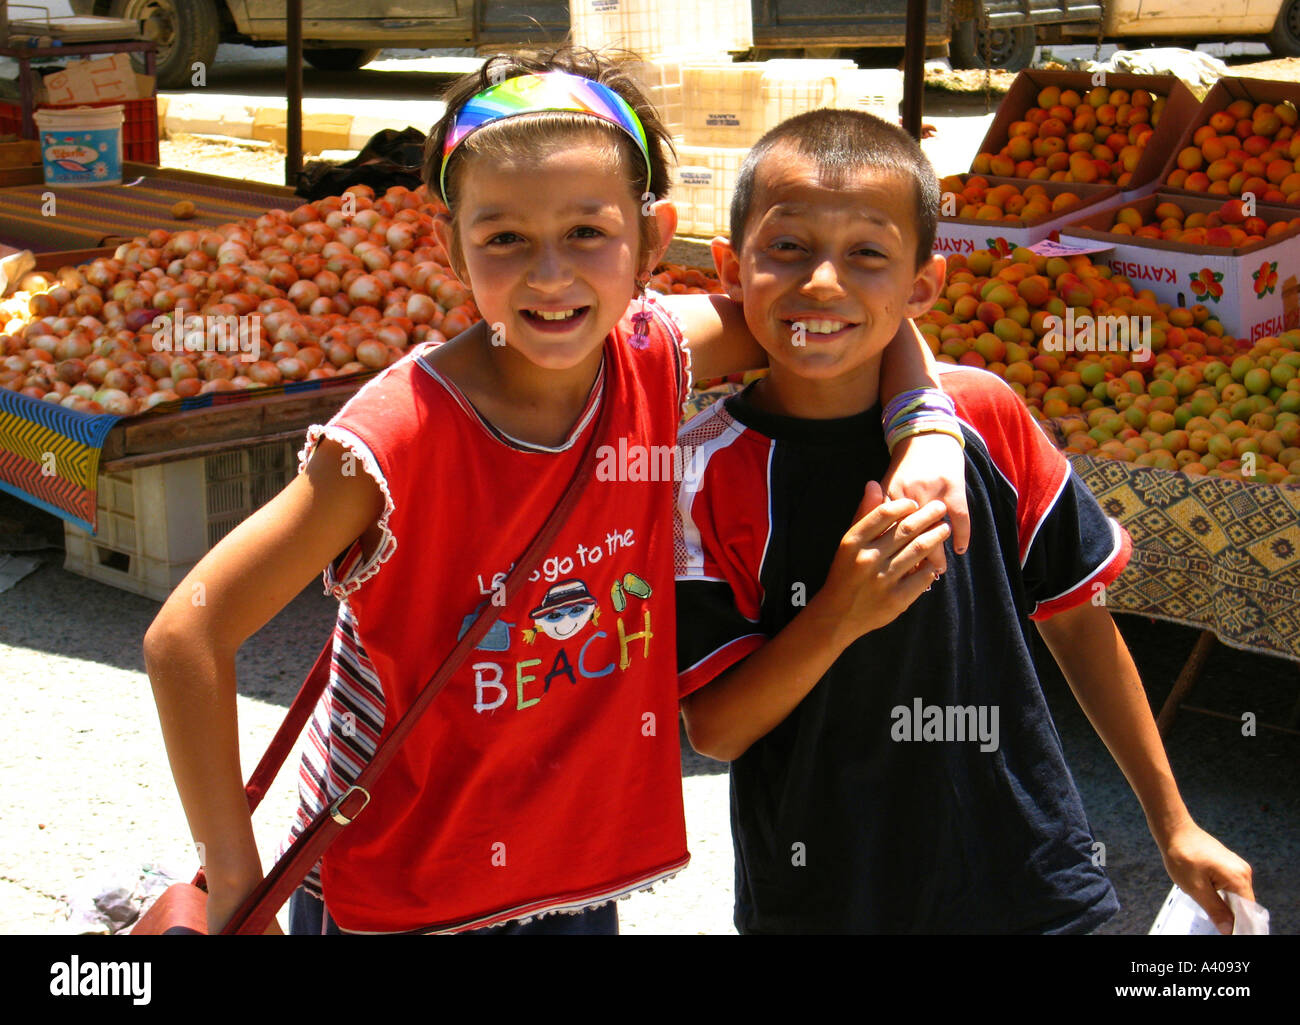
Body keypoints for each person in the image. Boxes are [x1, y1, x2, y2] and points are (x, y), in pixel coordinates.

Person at [142, 49, 972, 936]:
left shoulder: (652, 353)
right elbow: (189, 630)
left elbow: (829, 320)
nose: (548, 275)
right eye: (504, 238)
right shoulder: (395, 439)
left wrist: (928, 432)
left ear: (655, 240)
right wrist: (236, 881)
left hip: (569, 879)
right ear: (449, 246)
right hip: (401, 889)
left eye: (586, 233)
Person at [674, 107, 1255, 934]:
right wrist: (838, 613)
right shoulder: (699, 471)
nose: (824, 282)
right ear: (730, 268)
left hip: (1030, 875)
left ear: (923, 285)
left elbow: (1079, 624)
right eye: (788, 247)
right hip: (827, 894)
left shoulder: (983, 413)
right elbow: (718, 728)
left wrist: (1175, 823)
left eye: (868, 253)